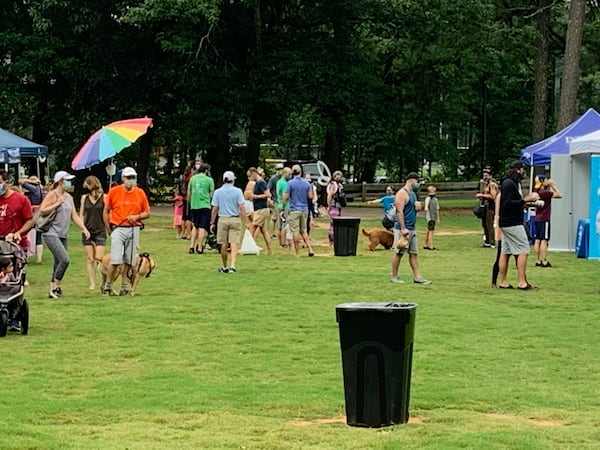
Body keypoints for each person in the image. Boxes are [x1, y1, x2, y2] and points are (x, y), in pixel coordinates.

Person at [38, 171, 90, 298]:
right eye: (67, 180)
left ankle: (53, 290)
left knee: (58, 262)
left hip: (63, 234)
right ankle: (56, 286)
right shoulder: (52, 195)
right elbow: (42, 210)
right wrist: (57, 203)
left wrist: (83, 228)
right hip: (51, 233)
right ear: (60, 181)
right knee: (64, 260)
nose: (69, 182)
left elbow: (74, 215)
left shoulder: (69, 197)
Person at [102, 167, 151, 296]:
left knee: (129, 261)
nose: (131, 180)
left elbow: (147, 212)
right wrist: (109, 229)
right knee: (116, 260)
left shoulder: (140, 193)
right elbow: (106, 211)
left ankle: (124, 285)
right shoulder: (114, 192)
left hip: (134, 228)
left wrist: (137, 217)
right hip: (118, 227)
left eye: (133, 177)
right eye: (128, 177)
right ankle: (108, 284)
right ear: (123, 178)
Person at [497, 161, 539, 290]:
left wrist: (528, 204)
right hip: (512, 222)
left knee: (506, 251)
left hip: (506, 222)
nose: (524, 172)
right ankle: (522, 282)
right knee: (523, 249)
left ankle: (503, 281)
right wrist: (526, 199)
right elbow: (508, 204)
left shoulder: (509, 183)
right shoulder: (510, 184)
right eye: (522, 169)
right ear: (518, 170)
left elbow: (512, 203)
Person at [390, 172, 431, 285]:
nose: (418, 184)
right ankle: (394, 276)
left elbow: (411, 210)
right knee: (399, 252)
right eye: (417, 181)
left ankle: (417, 277)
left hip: (412, 227)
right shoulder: (402, 193)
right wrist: (403, 229)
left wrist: (418, 209)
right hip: (402, 228)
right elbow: (399, 211)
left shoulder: (412, 194)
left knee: (413, 253)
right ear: (412, 180)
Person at [210, 171, 252, 273]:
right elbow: (242, 207)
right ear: (232, 180)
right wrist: (247, 221)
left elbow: (215, 208)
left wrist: (212, 222)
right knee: (234, 242)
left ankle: (224, 266)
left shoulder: (218, 192)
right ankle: (233, 265)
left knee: (223, 243)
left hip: (222, 219)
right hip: (235, 218)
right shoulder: (238, 191)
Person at [79, 175, 107, 291]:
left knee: (99, 258)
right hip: (88, 231)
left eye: (87, 184)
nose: (85, 186)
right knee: (90, 258)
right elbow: (81, 213)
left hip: (100, 230)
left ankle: (103, 281)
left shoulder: (104, 197)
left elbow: (107, 213)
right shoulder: (84, 198)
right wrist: (83, 227)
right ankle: (92, 283)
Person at [283, 165, 315, 257]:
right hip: (304, 209)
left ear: (293, 172)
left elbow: (285, 197)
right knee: (304, 230)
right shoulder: (307, 183)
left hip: (294, 209)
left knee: (295, 231)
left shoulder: (290, 183)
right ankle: (310, 248)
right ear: (301, 172)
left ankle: (297, 253)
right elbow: (310, 196)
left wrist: (284, 207)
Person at [0, 170, 34, 255]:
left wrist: (18, 233)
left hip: (15, 245)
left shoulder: (21, 199)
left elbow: (30, 221)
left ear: (6, 182)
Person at [533, 174, 562, 268]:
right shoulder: (545, 192)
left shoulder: (537, 191)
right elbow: (559, 195)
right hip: (544, 218)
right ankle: (544, 260)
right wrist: (552, 185)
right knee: (544, 240)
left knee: (537, 239)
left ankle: (537, 260)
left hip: (537, 217)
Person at [187, 163, 215, 254]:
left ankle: (191, 246)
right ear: (206, 171)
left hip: (194, 205)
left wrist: (190, 202)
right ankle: (199, 247)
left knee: (195, 225)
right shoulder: (209, 180)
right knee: (202, 226)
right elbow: (211, 194)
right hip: (205, 205)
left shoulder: (193, 178)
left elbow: (189, 192)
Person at [19, 175, 45, 262]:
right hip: (39, 213)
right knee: (39, 237)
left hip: (31, 214)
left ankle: (27, 255)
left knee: (28, 235)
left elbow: (21, 182)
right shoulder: (41, 190)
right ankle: (39, 258)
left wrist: (30, 181)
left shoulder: (33, 188)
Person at [248, 167, 272, 254]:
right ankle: (269, 250)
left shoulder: (261, 183)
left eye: (250, 176)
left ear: (254, 174)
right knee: (263, 230)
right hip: (258, 208)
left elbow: (268, 194)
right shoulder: (257, 183)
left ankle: (249, 247)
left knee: (253, 227)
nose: (250, 179)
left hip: (261, 208)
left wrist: (255, 196)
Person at [476, 168, 498, 248]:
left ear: (490, 176)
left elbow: (493, 196)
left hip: (491, 207)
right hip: (485, 206)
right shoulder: (484, 184)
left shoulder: (492, 184)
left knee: (490, 225)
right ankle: (487, 241)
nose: (485, 177)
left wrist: (482, 195)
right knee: (484, 224)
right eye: (484, 175)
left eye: (486, 175)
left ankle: (492, 242)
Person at [326, 170, 344, 246]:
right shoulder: (336, 185)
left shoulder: (336, 185)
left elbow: (330, 196)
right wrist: (329, 205)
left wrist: (328, 205)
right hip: (335, 207)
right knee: (334, 224)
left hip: (336, 207)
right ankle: (333, 240)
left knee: (334, 224)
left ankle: (333, 240)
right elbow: (330, 195)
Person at [276, 167, 292, 247]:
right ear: (284, 173)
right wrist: (284, 207)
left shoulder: (278, 182)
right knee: (284, 225)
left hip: (278, 205)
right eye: (289, 174)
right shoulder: (285, 184)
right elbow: (284, 196)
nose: (290, 176)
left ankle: (280, 242)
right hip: (285, 206)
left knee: (279, 225)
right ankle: (283, 242)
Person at [267, 163, 284, 237]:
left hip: (282, 201)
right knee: (274, 218)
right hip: (275, 200)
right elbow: (268, 189)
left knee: (280, 218)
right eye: (278, 169)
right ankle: (271, 233)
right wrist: (269, 199)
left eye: (281, 169)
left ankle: (278, 233)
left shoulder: (284, 178)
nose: (280, 171)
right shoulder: (273, 179)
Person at [423, 185, 440, 250]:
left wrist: (438, 217)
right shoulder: (428, 199)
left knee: (428, 231)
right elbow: (426, 206)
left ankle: (425, 244)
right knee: (431, 231)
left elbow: (437, 209)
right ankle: (431, 245)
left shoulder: (435, 200)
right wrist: (426, 207)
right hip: (430, 217)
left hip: (433, 217)